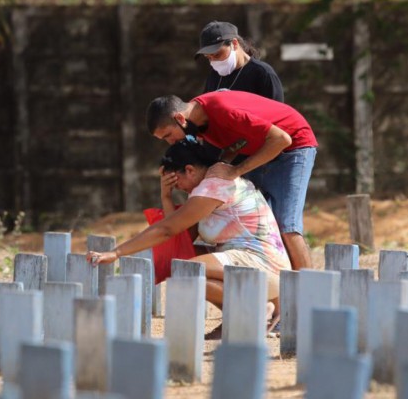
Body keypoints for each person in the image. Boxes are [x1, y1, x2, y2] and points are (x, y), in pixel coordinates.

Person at [86, 140, 290, 336]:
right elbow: (183, 237)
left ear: (190, 170)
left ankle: (254, 308)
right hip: (249, 264)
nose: (179, 188)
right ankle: (246, 312)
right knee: (186, 267)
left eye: (177, 181)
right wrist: (166, 197)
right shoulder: (205, 189)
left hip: (262, 264)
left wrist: (116, 252)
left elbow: (167, 230)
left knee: (186, 273)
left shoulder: (215, 186)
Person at [145, 91, 317, 271]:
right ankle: (276, 288)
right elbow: (240, 139)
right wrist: (223, 162)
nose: (171, 142)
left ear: (180, 118)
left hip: (294, 144)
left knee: (286, 226)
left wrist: (236, 170)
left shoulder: (223, 110)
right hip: (261, 148)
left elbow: (282, 139)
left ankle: (307, 293)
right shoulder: (200, 123)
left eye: (168, 135)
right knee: (266, 223)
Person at [196, 21, 283, 101]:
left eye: (217, 54)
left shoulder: (263, 74)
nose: (213, 61)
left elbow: (276, 114)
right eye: (208, 57)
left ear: (234, 44)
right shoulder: (214, 76)